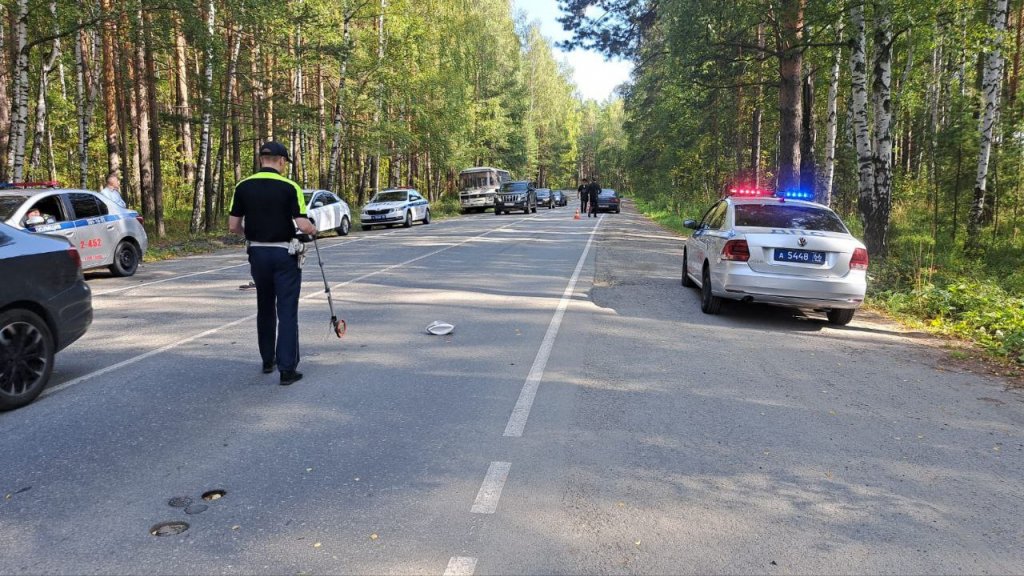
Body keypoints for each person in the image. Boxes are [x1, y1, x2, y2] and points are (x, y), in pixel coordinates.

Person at [228, 141, 317, 386]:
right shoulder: (290, 187)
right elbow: (302, 224)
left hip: (257, 253)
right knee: (286, 310)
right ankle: (287, 369)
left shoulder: (242, 186)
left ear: (261, 160)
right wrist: (312, 228)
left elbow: (234, 226)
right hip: (283, 254)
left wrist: (252, 234)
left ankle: (268, 360)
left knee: (264, 306)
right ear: (281, 161)